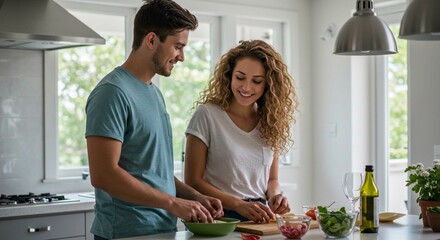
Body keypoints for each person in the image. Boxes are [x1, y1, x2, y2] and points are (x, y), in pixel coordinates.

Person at [85, 0, 223, 239]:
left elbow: (152, 171)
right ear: (151, 40)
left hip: (161, 231)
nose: (182, 57)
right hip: (125, 234)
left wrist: (194, 197)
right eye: (178, 46)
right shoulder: (112, 92)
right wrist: (172, 203)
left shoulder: (153, 92)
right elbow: (104, 175)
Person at [184, 40, 299, 223]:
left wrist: (276, 197)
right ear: (229, 76)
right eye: (240, 77)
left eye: (257, 81)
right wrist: (238, 205)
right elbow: (192, 181)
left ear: (267, 84)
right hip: (219, 216)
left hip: (259, 217)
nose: (246, 87)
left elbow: (272, 180)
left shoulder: (271, 121)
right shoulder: (207, 115)